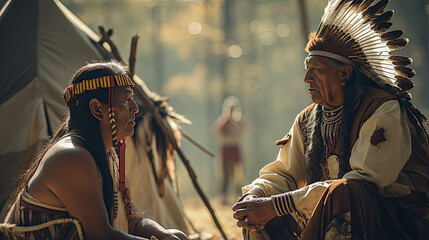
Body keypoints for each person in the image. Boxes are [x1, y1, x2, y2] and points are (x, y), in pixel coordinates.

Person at [232, 0, 429, 239]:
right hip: (329, 217)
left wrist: (279, 204)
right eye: (306, 68)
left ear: (344, 73)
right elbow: (284, 173)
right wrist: (256, 194)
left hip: (392, 223)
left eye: (317, 69)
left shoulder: (382, 110)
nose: (306, 78)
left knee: (345, 191)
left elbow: (365, 182)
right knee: (258, 208)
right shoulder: (307, 119)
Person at [2, 61, 187, 240]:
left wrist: (163, 234)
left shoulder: (109, 156)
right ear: (97, 109)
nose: (135, 108)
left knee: (177, 236)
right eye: (126, 100)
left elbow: (132, 221)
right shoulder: (71, 157)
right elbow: (100, 235)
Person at [214, 96, 245, 204]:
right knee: (224, 173)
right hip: (226, 148)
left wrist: (234, 123)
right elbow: (218, 131)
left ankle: (237, 196)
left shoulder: (238, 120)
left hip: (235, 147)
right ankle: (224, 197)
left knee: (237, 173)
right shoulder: (223, 120)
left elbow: (242, 129)